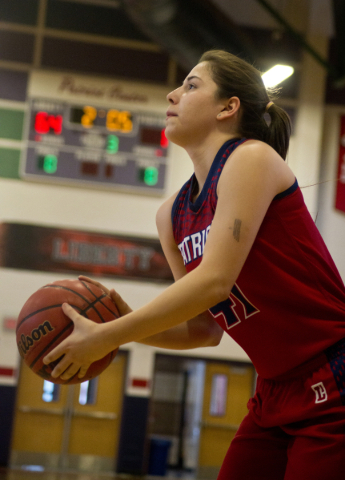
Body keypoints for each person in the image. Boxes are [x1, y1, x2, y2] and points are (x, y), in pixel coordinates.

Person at [43, 50, 345, 479]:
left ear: (228, 107)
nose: (172, 94)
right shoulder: (172, 215)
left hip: (334, 376)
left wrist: (108, 335)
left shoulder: (251, 158)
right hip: (274, 391)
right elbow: (204, 330)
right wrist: (121, 325)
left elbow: (215, 282)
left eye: (190, 85)